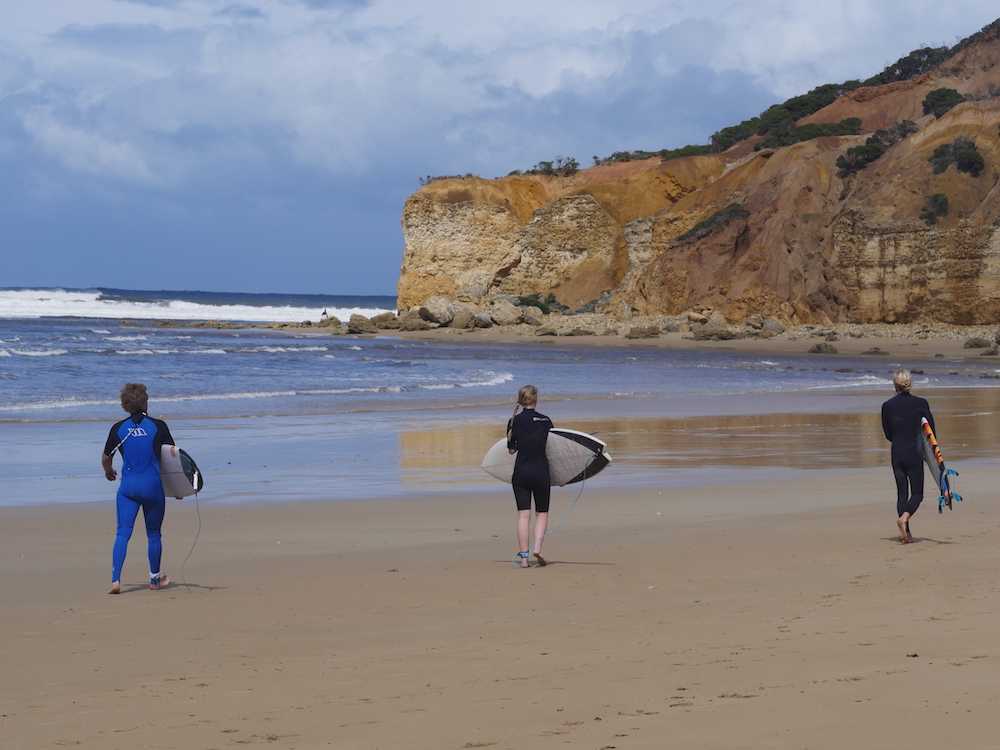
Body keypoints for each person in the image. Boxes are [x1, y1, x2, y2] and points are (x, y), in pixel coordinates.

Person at [102, 383, 175, 593]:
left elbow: (106, 457)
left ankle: (115, 581)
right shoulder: (159, 426)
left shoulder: (117, 429)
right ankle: (155, 580)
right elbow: (172, 458)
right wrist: (177, 489)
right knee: (154, 535)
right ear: (144, 402)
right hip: (153, 488)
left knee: (122, 533)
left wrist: (108, 471)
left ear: (125, 405)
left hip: (128, 490)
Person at [881, 369, 935, 544]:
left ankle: (907, 534)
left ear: (894, 385)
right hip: (914, 452)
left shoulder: (887, 406)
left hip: (897, 452)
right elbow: (930, 432)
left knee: (902, 494)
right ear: (909, 383)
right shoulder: (921, 403)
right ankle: (904, 518)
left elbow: (888, 434)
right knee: (917, 493)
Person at [506, 385, 553, 568]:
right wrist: (563, 477)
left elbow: (511, 450)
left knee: (523, 516)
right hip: (541, 472)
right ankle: (538, 549)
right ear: (535, 399)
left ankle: (524, 559)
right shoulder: (546, 420)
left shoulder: (513, 421)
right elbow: (554, 450)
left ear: (520, 400)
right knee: (542, 513)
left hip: (521, 473)